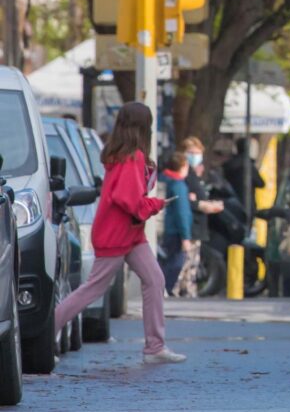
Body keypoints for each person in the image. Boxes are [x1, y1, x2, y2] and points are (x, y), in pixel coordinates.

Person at [53, 102, 186, 364]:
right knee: (93, 289)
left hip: (127, 233)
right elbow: (129, 201)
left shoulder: (123, 156)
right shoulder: (132, 158)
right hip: (118, 234)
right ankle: (47, 333)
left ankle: (155, 347)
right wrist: (156, 204)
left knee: (155, 279)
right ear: (143, 127)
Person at [176, 137, 223, 298]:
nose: (195, 156)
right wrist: (202, 205)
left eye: (198, 153)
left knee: (191, 266)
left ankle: (188, 294)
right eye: (191, 153)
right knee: (185, 266)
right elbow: (185, 201)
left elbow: (194, 197)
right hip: (190, 226)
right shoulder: (184, 174)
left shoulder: (193, 173)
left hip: (197, 226)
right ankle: (180, 294)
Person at [158, 153, 192, 295]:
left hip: (161, 228)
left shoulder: (162, 180)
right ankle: (163, 288)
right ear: (183, 166)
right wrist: (186, 236)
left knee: (162, 261)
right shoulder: (178, 185)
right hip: (174, 231)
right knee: (175, 262)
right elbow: (182, 212)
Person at [222, 138, 265, 217]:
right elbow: (261, 183)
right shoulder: (249, 165)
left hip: (230, 203)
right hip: (247, 203)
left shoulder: (228, 164)